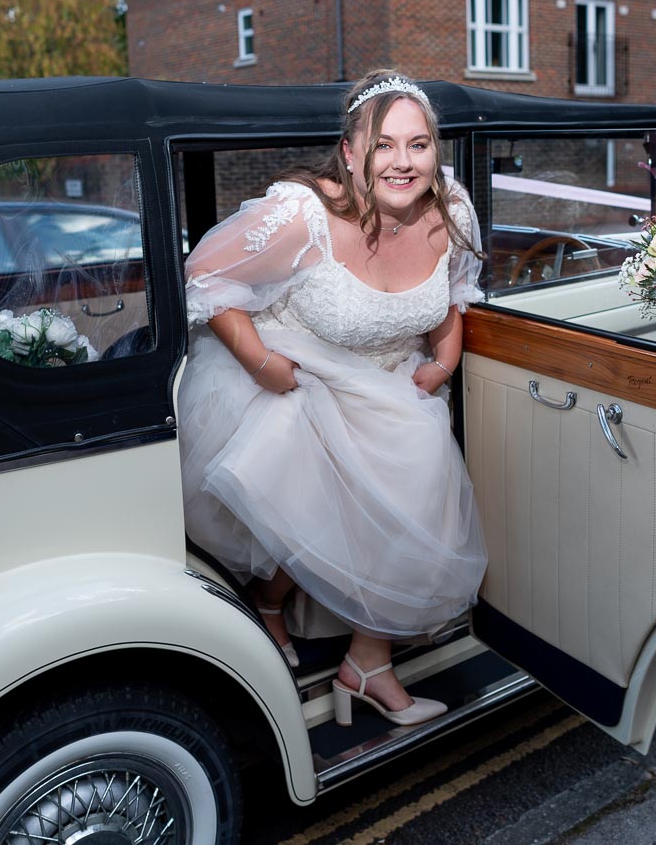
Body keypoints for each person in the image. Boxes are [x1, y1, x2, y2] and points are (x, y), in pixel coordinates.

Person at [179, 69, 487, 727]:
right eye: (383, 145)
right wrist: (260, 363)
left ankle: (367, 662)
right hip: (299, 370)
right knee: (304, 490)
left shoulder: (452, 210)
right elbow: (204, 276)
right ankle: (267, 603)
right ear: (349, 154)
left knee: (422, 464)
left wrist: (445, 362)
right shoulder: (302, 215)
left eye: (419, 144)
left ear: (436, 150)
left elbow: (452, 295)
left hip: (390, 384)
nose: (403, 162)